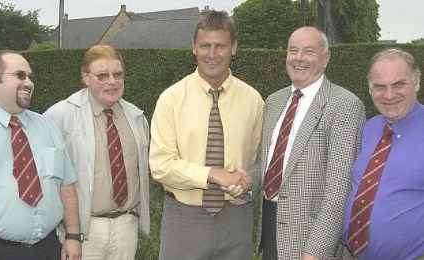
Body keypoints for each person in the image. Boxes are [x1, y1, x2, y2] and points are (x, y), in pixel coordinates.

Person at [149, 10, 264, 260]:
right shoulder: (170, 99)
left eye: (220, 46)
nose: (212, 54)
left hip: (236, 219)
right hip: (184, 218)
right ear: (194, 47)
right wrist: (213, 175)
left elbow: (259, 161)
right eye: (205, 46)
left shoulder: (253, 101)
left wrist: (248, 180)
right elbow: (160, 166)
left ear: (234, 47)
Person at [258, 26, 365, 260]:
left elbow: (339, 191)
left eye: (308, 51)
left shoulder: (345, 105)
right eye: (293, 50)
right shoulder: (273, 102)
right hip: (269, 228)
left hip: (309, 242)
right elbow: (266, 165)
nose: (298, 58)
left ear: (325, 58)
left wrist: (315, 252)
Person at [44, 44, 150, 260]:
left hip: (126, 225)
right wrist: (69, 231)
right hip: (83, 230)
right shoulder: (59, 116)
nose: (112, 81)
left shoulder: (136, 117)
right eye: (102, 75)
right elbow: (47, 179)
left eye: (118, 74)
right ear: (86, 77)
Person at [0, 51, 81, 260]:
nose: (29, 82)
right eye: (20, 75)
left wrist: (73, 236)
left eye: (30, 76)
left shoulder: (47, 126)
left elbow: (66, 185)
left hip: (49, 249)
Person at [342, 48, 424, 260]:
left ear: (417, 82)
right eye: (380, 87)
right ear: (369, 90)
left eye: (399, 84)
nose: (389, 95)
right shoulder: (368, 129)